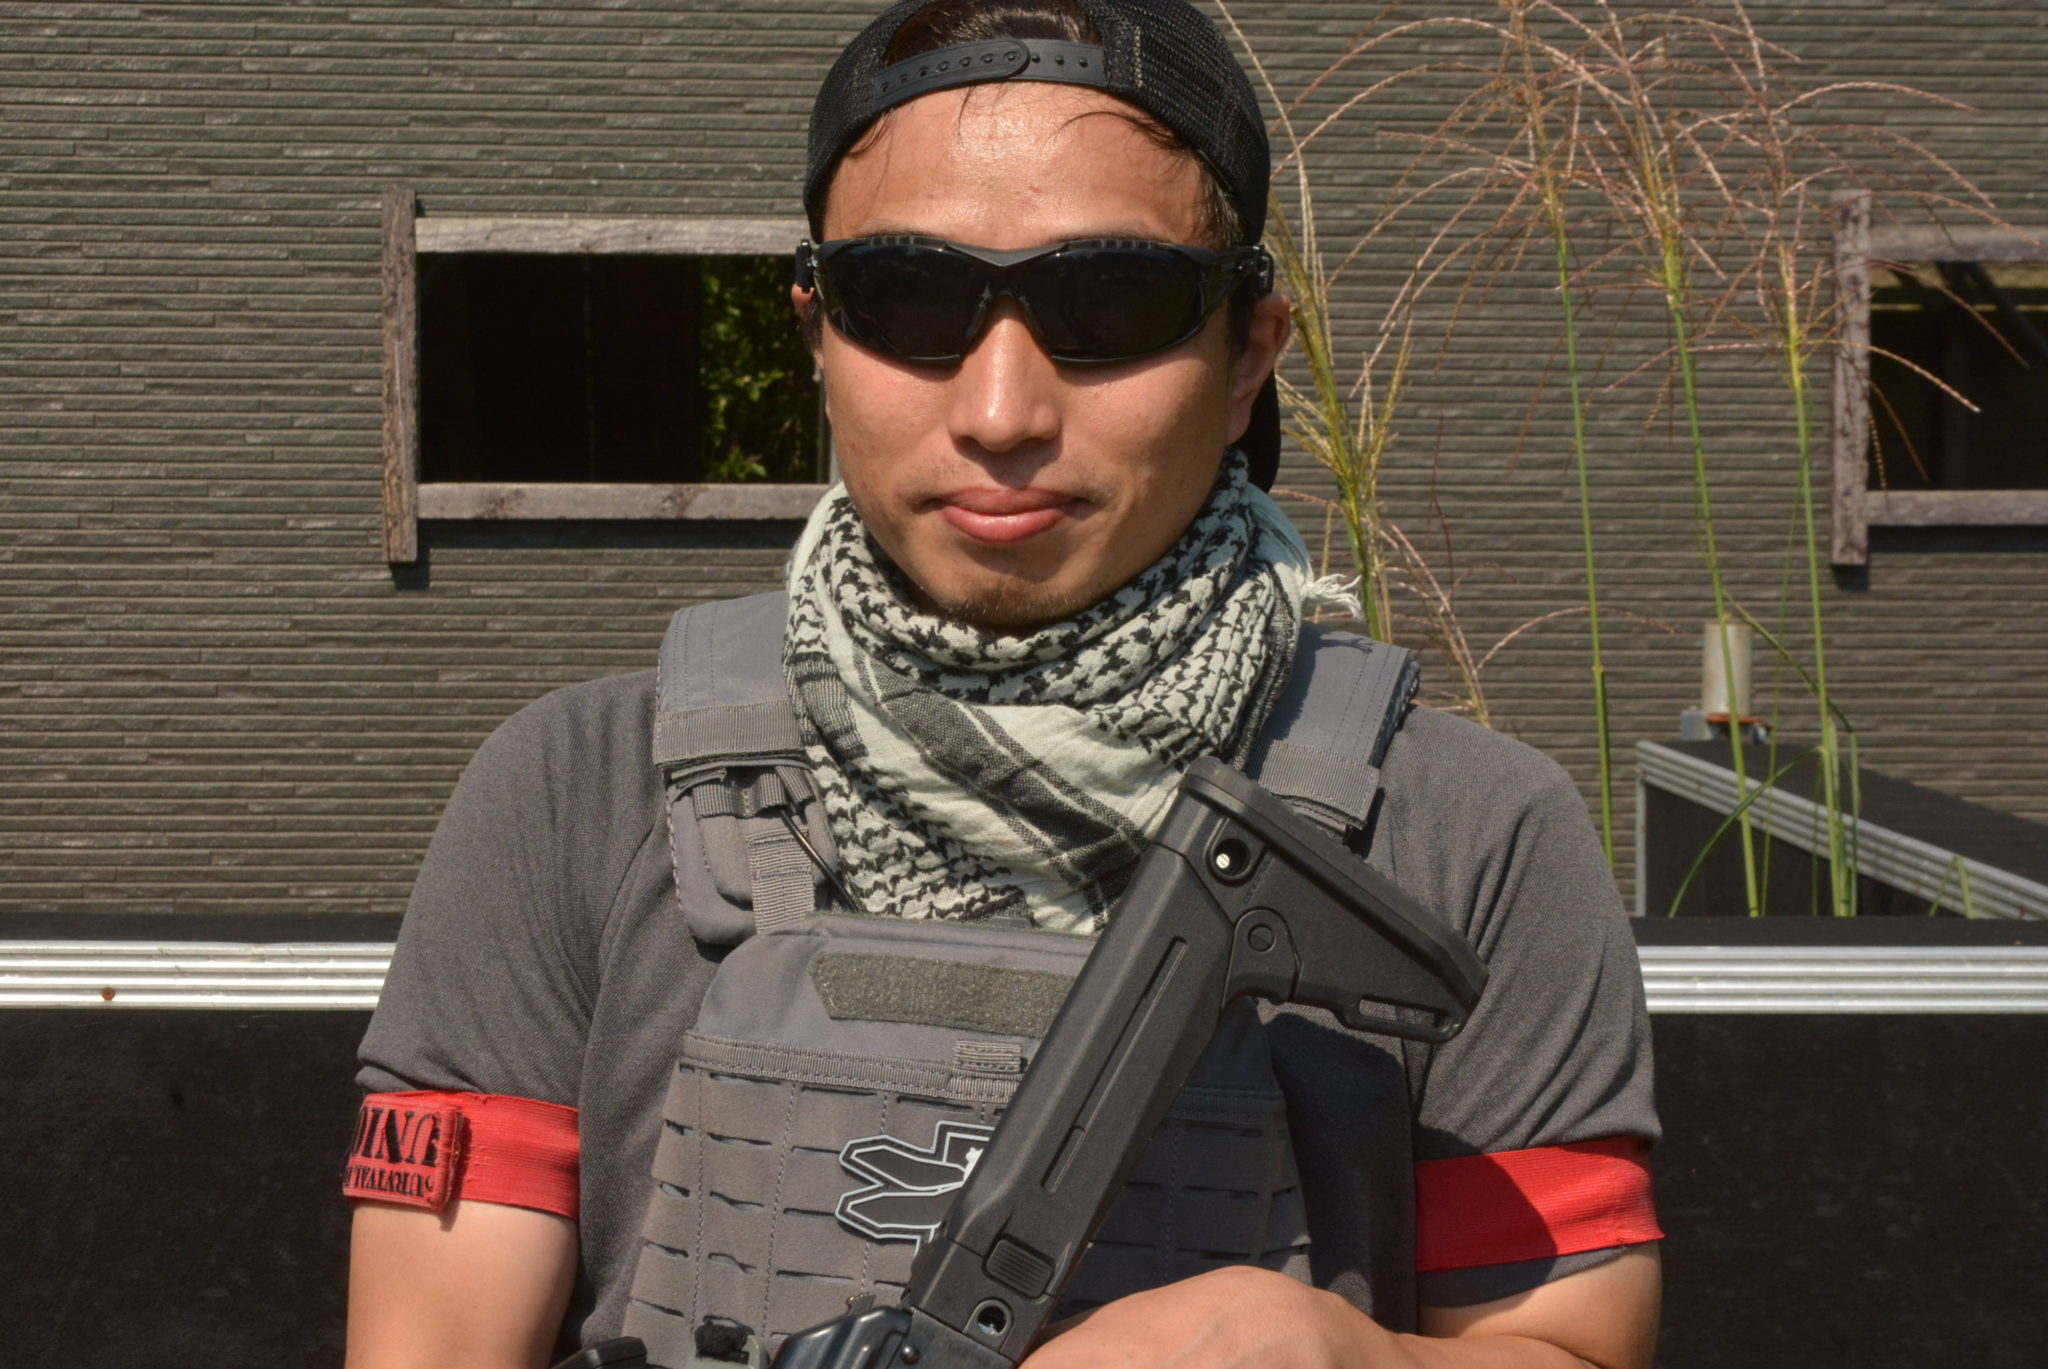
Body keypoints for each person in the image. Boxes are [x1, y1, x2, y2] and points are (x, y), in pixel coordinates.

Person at [342, 3, 1663, 1368]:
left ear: (1251, 352)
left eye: (1112, 304)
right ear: (816, 331)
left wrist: (1334, 1354)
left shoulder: (1466, 836)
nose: (1000, 412)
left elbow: (1569, 1346)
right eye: (908, 299)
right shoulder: (573, 797)